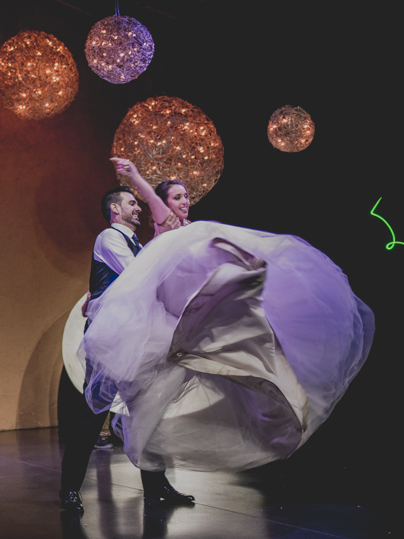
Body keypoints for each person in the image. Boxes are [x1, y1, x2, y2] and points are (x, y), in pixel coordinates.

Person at [81, 158, 374, 474]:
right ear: (161, 206)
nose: (184, 201)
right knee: (152, 388)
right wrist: (134, 175)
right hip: (179, 315)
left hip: (194, 309)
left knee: (236, 358)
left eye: (186, 196)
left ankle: (270, 417)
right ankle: (126, 452)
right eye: (176, 197)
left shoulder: (190, 232)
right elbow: (149, 218)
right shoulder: (164, 227)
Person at [59, 185, 194, 513]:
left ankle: (155, 487)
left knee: (147, 412)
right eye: (131, 203)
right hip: (110, 340)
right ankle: (69, 488)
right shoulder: (109, 237)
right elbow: (139, 274)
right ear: (115, 210)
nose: (138, 209)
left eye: (138, 204)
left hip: (134, 339)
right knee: (93, 416)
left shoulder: (135, 244)